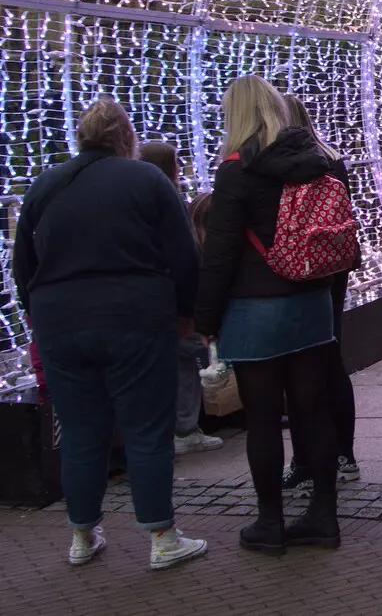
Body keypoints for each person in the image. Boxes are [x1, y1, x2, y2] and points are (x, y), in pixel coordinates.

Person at [10, 99, 208, 570]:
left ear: (80, 137)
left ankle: (82, 535)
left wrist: (41, 315)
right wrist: (190, 316)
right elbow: (183, 256)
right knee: (145, 430)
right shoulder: (146, 180)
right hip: (134, 318)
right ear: (126, 137)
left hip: (60, 324)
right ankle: (162, 538)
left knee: (80, 432)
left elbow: (23, 267)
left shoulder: (45, 184)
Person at [197, 76, 350, 554]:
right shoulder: (316, 159)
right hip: (310, 302)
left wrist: (206, 318)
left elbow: (220, 251)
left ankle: (270, 524)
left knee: (263, 419)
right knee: (313, 410)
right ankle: (323, 515)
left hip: (255, 308)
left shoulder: (236, 169)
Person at [277, 94, 361, 490]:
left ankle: (307, 457)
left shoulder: (279, 165)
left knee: (301, 364)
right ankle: (344, 452)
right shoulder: (332, 158)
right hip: (334, 266)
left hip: (298, 269)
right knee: (331, 356)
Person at [138, 141, 225, 459]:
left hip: (142, 299)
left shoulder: (132, 198)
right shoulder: (168, 199)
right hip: (169, 301)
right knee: (187, 356)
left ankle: (172, 428)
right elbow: (184, 255)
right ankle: (185, 429)